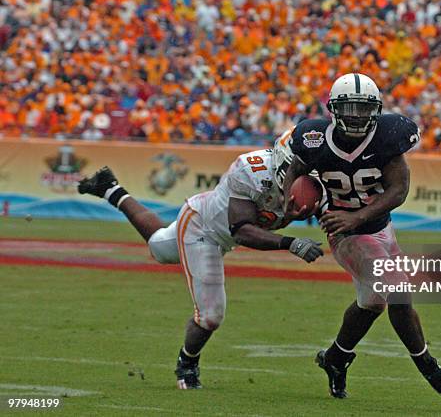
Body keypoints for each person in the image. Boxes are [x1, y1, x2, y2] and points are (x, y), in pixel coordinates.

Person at [77, 147, 324, 390]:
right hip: (202, 227)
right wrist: (292, 243)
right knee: (211, 315)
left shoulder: (313, 183)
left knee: (159, 247)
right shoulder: (253, 171)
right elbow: (243, 231)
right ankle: (187, 363)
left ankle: (109, 188)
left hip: (219, 230)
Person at [281, 73, 441, 399]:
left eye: (363, 109)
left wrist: (358, 216)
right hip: (346, 236)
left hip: (379, 228)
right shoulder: (314, 138)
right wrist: (289, 203)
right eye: (349, 108)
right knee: (399, 291)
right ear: (333, 110)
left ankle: (336, 358)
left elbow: (399, 189)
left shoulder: (388, 137)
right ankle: (427, 365)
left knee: (372, 303)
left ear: (376, 110)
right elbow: (295, 172)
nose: (356, 116)